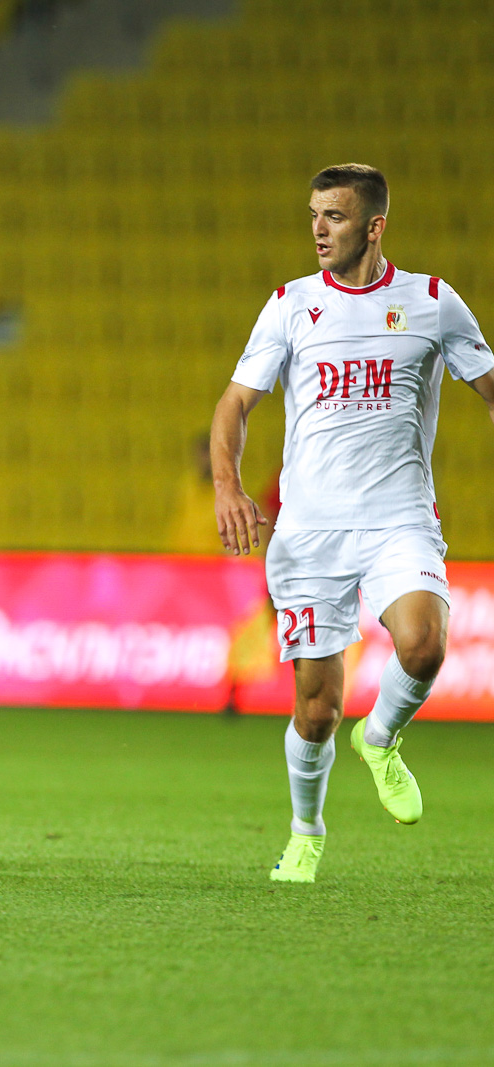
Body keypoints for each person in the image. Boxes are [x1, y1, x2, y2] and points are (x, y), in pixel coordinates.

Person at [211, 163, 494, 883]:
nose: (317, 229)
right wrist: (227, 486)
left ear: (374, 226)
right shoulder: (290, 305)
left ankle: (383, 737)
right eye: (313, 214)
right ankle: (306, 833)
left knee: (424, 645)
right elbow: (235, 404)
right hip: (310, 533)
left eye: (333, 216)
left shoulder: (432, 301)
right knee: (316, 709)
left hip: (400, 519)